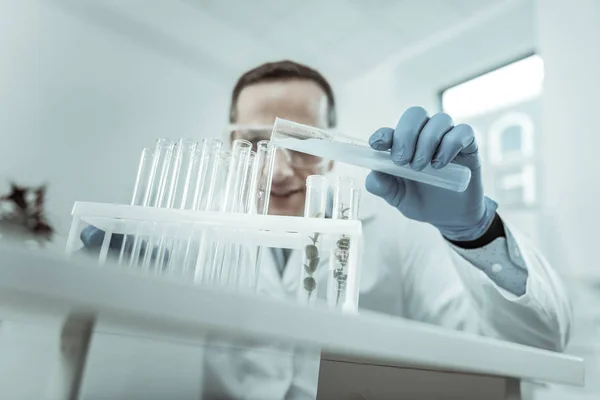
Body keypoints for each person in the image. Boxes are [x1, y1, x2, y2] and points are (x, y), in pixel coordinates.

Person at [81, 60, 572, 398]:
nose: (278, 171)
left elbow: (537, 349)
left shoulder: (398, 231)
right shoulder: (187, 233)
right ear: (227, 144)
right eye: (255, 143)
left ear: (336, 147)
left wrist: (474, 231)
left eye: (303, 143)